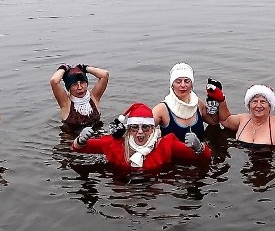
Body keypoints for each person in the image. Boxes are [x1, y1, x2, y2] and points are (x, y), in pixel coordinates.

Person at [71, 102, 211, 171]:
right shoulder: (115, 143)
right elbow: (78, 148)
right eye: (134, 127)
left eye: (145, 127)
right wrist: (80, 140)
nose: (140, 132)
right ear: (128, 128)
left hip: (154, 195)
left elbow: (203, 156)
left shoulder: (166, 144)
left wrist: (198, 146)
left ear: (152, 128)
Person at [152, 63, 220, 143]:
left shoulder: (197, 103)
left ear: (192, 84)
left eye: (187, 81)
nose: (183, 85)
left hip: (199, 153)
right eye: (178, 81)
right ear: (172, 85)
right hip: (173, 154)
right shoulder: (162, 109)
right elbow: (144, 130)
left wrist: (214, 100)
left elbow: (214, 121)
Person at [218, 84, 275, 150]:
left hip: (268, 167)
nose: (258, 105)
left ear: (270, 106)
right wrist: (221, 99)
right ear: (249, 105)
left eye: (263, 102)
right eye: (254, 101)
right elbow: (224, 119)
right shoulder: (242, 119)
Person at [49, 63, 109, 132]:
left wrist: (85, 68)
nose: (80, 87)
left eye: (83, 82)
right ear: (69, 88)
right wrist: (63, 68)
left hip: (96, 137)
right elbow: (54, 81)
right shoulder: (66, 102)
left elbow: (105, 74)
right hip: (71, 139)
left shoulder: (94, 96)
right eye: (74, 84)